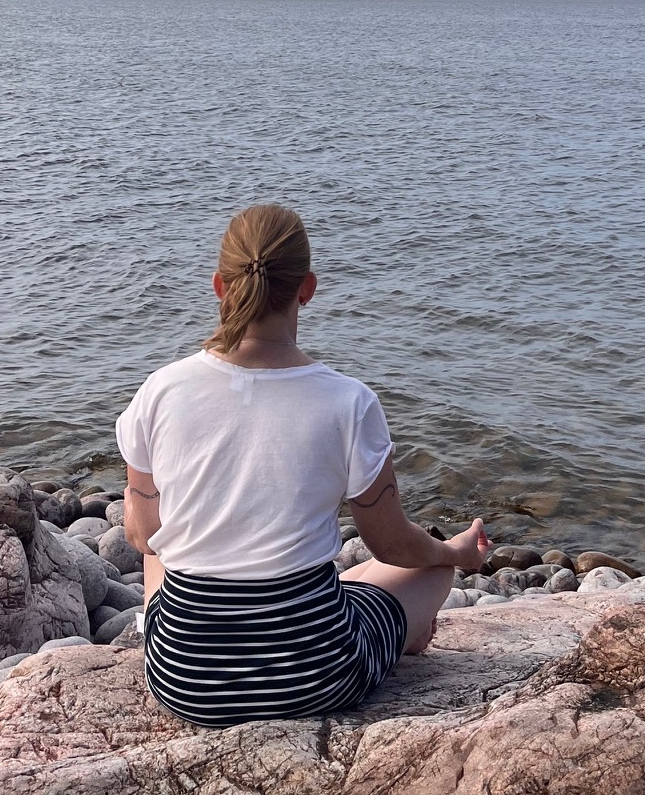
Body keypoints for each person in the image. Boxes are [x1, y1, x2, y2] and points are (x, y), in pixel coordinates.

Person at [117, 203, 490, 727]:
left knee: (159, 553)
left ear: (220, 287)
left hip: (186, 681)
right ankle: (397, 629)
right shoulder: (348, 403)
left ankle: (317, 608)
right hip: (315, 674)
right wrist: (452, 552)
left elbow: (142, 535)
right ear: (307, 288)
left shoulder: (161, 391)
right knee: (432, 569)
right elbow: (392, 544)